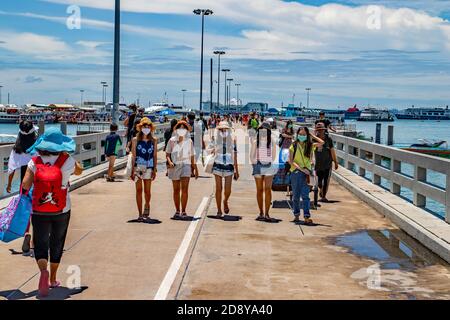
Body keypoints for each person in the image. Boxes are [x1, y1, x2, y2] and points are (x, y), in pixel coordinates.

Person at [21, 128, 83, 297]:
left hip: (39, 209)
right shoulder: (67, 160)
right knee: (57, 242)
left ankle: (43, 272)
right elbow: (79, 171)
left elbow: (25, 185)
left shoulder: (35, 161)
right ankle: (53, 279)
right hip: (61, 208)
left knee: (40, 243)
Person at [6, 120, 37, 255]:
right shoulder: (38, 147)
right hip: (38, 183)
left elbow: (11, 168)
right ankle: (34, 241)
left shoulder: (17, 148)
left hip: (24, 185)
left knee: (26, 211)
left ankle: (26, 234)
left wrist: (8, 184)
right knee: (37, 212)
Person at [289, 127, 324, 225]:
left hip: (307, 173)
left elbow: (322, 143)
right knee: (295, 196)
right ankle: (296, 215)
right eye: (300, 134)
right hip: (296, 172)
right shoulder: (293, 146)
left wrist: (312, 135)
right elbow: (290, 161)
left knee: (305, 196)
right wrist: (301, 169)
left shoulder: (310, 145)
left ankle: (306, 216)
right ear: (297, 134)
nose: (302, 136)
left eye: (304, 134)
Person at [166, 120, 199, 218]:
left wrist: (195, 169)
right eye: (179, 128)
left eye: (183, 128)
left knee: (185, 189)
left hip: (186, 165)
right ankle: (177, 210)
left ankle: (183, 210)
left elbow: (192, 156)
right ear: (176, 130)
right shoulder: (172, 140)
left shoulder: (189, 141)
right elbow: (167, 154)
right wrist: (170, 162)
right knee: (176, 190)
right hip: (174, 165)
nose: (182, 130)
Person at [209, 121, 239, 217]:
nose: (223, 131)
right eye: (221, 129)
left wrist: (236, 170)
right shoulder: (215, 139)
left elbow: (235, 155)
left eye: (225, 129)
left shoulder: (233, 140)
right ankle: (218, 210)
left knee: (228, 190)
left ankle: (225, 201)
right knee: (218, 189)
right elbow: (209, 150)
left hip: (229, 166)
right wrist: (214, 149)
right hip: (218, 164)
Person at [130, 118, 158, 222]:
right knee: (138, 190)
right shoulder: (135, 140)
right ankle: (140, 214)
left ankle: (147, 204)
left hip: (149, 167)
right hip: (138, 167)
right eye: (144, 126)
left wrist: (155, 169)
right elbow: (133, 155)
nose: (146, 128)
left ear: (151, 128)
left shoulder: (154, 140)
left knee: (147, 191)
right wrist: (132, 169)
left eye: (148, 126)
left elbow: (155, 155)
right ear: (140, 128)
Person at [250, 121, 278, 221]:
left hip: (268, 166)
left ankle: (267, 213)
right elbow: (251, 156)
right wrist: (255, 164)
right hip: (258, 165)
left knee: (267, 189)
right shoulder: (255, 141)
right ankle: (261, 212)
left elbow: (274, 156)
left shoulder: (272, 142)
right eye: (261, 130)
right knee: (259, 190)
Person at [314, 122, 339, 202]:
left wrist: (335, 162)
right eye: (319, 130)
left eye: (322, 130)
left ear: (324, 130)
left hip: (327, 164)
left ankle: (324, 196)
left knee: (326, 181)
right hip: (317, 164)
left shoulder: (329, 139)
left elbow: (332, 151)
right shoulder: (314, 139)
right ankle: (320, 189)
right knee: (319, 181)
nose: (320, 131)